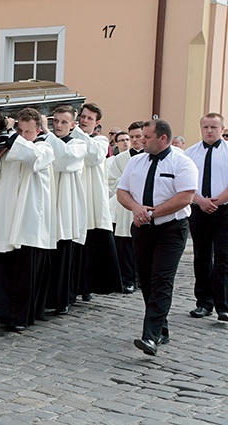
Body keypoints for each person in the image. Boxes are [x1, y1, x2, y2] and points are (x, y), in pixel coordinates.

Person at [117, 119, 197, 355]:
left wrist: (152, 213)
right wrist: (136, 209)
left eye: (147, 137)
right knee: (147, 279)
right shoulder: (136, 162)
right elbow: (122, 191)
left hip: (171, 229)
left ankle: (150, 336)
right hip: (143, 228)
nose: (142, 140)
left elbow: (185, 197)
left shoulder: (182, 163)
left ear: (163, 138)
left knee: (162, 280)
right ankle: (161, 329)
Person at [0, 108, 55, 332]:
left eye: (28, 131)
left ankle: (18, 317)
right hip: (4, 216)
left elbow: (33, 158)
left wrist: (12, 138)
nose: (23, 134)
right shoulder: (11, 148)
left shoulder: (44, 148)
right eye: (20, 129)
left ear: (38, 130)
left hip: (27, 219)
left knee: (22, 274)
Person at [71, 103, 122, 308]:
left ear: (97, 123)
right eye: (82, 117)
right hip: (71, 197)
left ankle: (87, 287)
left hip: (91, 200)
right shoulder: (69, 138)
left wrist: (74, 129)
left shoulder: (100, 141)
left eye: (89, 118)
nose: (84, 121)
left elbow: (93, 156)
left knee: (91, 247)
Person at [39, 105, 87, 317]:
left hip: (66, 205)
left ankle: (63, 299)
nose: (58, 126)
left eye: (64, 122)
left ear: (73, 125)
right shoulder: (44, 142)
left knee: (64, 254)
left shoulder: (78, 144)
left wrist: (47, 134)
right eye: (55, 121)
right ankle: (45, 298)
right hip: (49, 202)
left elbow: (64, 160)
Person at [185, 113, 228, 322]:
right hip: (199, 209)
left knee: (223, 257)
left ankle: (223, 305)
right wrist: (201, 201)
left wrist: (217, 202)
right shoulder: (190, 153)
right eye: (206, 127)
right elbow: (183, 184)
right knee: (201, 256)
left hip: (224, 211)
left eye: (214, 127)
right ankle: (203, 302)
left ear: (222, 129)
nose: (209, 131)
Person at [107, 126, 142, 294]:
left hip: (144, 205)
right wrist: (128, 181)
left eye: (137, 136)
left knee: (141, 245)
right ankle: (128, 279)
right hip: (126, 205)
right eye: (132, 136)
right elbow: (112, 180)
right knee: (125, 245)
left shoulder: (150, 156)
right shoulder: (120, 159)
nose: (134, 140)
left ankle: (140, 278)